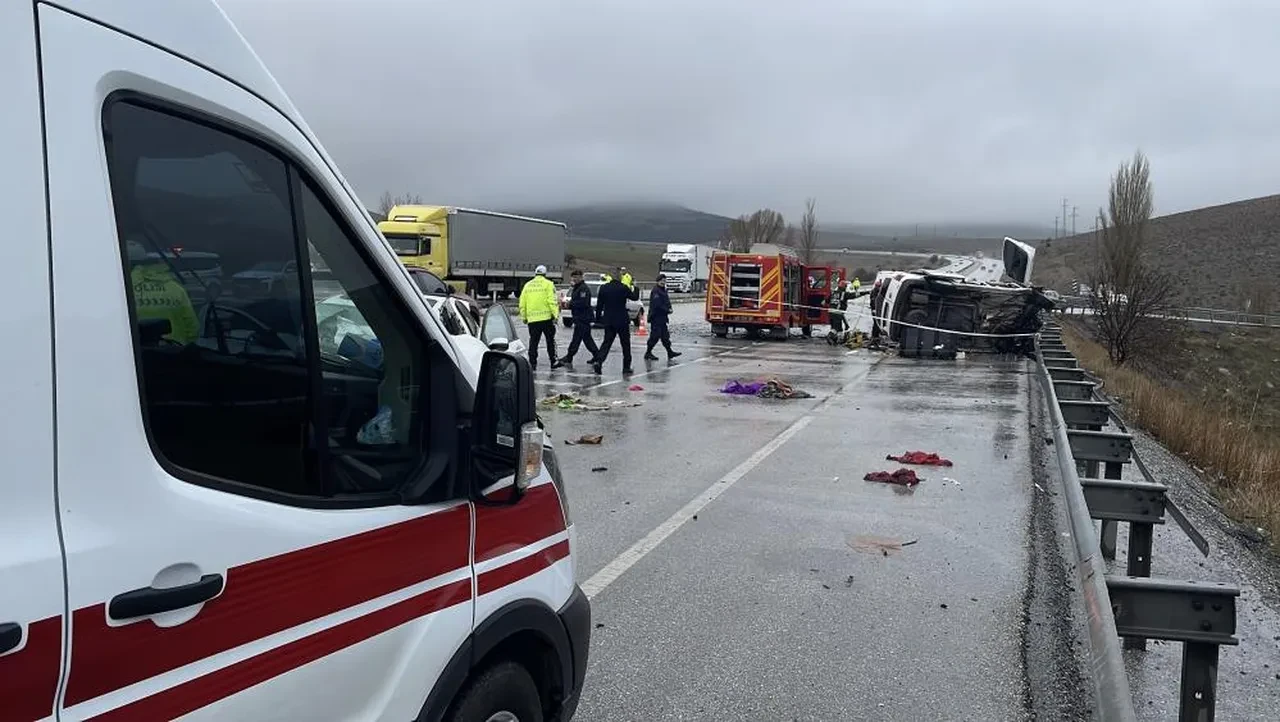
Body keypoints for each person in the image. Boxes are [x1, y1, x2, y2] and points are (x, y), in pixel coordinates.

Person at [592, 268, 639, 375]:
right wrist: (635, 286)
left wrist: (598, 319)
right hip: (622, 319)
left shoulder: (604, 288)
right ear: (620, 277)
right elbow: (635, 298)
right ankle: (626, 367)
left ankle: (599, 361)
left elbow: (599, 306)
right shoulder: (623, 288)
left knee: (606, 343)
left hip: (609, 319)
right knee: (625, 344)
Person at [518, 264, 562, 370]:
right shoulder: (548, 284)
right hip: (546, 319)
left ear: (535, 273)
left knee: (533, 341)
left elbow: (522, 303)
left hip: (532, 320)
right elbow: (552, 301)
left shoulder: (528, 285)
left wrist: (524, 317)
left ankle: (532, 363)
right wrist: (555, 315)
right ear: (545, 274)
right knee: (550, 340)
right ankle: (553, 361)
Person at [558, 269, 600, 365]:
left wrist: (571, 304)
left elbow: (583, 303)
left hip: (583, 318)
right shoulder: (577, 288)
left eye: (576, 277)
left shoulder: (583, 289)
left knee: (576, 339)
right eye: (573, 277)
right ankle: (597, 356)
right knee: (587, 339)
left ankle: (569, 356)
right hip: (579, 317)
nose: (574, 279)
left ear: (581, 277)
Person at [644, 274, 682, 361]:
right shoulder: (656, 291)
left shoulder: (663, 290)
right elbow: (657, 305)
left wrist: (670, 308)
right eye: (661, 280)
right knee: (655, 336)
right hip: (656, 317)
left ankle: (670, 352)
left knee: (665, 336)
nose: (663, 282)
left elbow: (666, 301)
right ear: (658, 281)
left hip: (663, 318)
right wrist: (667, 310)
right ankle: (648, 352)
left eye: (664, 281)